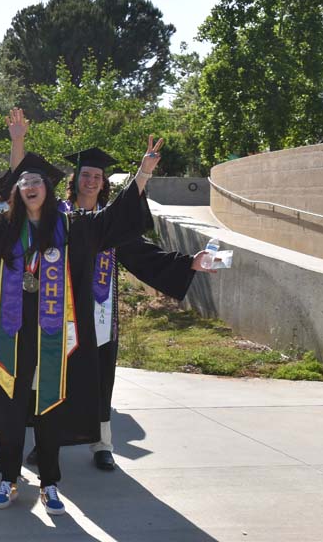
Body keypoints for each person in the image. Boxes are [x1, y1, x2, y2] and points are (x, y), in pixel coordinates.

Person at [0, 135, 163, 516]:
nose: (30, 187)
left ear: (47, 191)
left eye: (37, 182)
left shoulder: (73, 228)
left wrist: (143, 172)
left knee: (49, 408)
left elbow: (115, 217)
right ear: (18, 192)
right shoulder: (3, 229)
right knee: (11, 409)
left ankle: (49, 483)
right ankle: (8, 479)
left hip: (53, 336)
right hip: (12, 337)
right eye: (24, 182)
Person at [54, 146, 216, 471]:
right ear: (76, 179)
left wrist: (190, 263)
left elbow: (145, 255)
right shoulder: (58, 218)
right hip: (60, 314)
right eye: (86, 175)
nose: (90, 181)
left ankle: (102, 443)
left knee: (100, 379)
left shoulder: (110, 224)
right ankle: (50, 440)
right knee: (57, 379)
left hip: (100, 316)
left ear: (103, 184)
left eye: (97, 177)